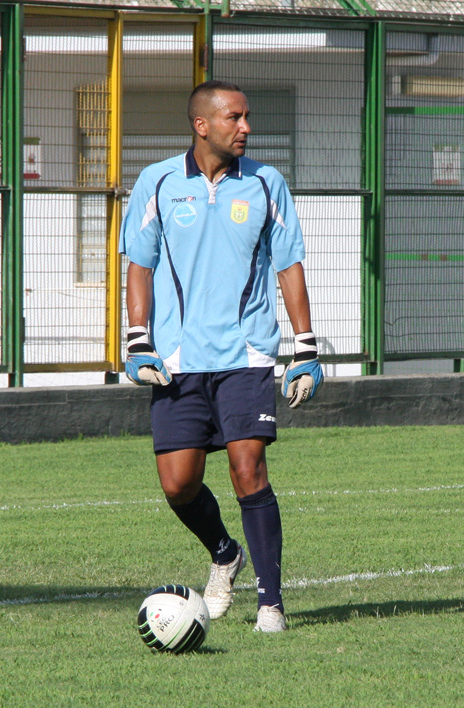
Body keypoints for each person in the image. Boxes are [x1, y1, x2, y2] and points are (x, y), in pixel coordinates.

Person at [118, 80, 323, 633]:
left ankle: (271, 605)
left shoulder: (266, 183)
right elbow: (139, 263)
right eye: (235, 117)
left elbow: (288, 265)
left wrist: (304, 347)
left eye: (247, 116)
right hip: (178, 360)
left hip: (246, 354)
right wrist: (137, 340)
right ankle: (225, 554)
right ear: (202, 124)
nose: (246, 127)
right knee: (177, 484)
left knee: (247, 469)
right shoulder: (157, 182)